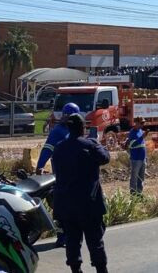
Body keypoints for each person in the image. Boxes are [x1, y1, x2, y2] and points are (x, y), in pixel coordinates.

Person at [53, 113, 110, 273]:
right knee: (95, 241)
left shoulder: (59, 147)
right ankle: (101, 269)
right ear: (83, 128)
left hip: (66, 204)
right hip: (88, 204)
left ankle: (75, 269)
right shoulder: (89, 145)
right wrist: (95, 142)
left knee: (72, 240)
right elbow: (105, 158)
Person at [36, 102, 80, 248]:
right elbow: (47, 148)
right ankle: (62, 236)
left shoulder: (74, 131)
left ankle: (71, 235)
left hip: (74, 176)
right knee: (61, 206)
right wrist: (40, 165)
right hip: (61, 176)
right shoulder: (58, 131)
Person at [126, 117, 148, 195]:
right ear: (136, 123)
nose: (143, 125)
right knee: (134, 177)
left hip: (142, 158)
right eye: (141, 123)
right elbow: (132, 144)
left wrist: (146, 157)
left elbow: (143, 144)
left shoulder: (141, 131)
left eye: (143, 123)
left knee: (141, 177)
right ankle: (133, 193)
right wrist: (142, 136)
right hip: (136, 159)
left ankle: (139, 193)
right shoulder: (132, 132)